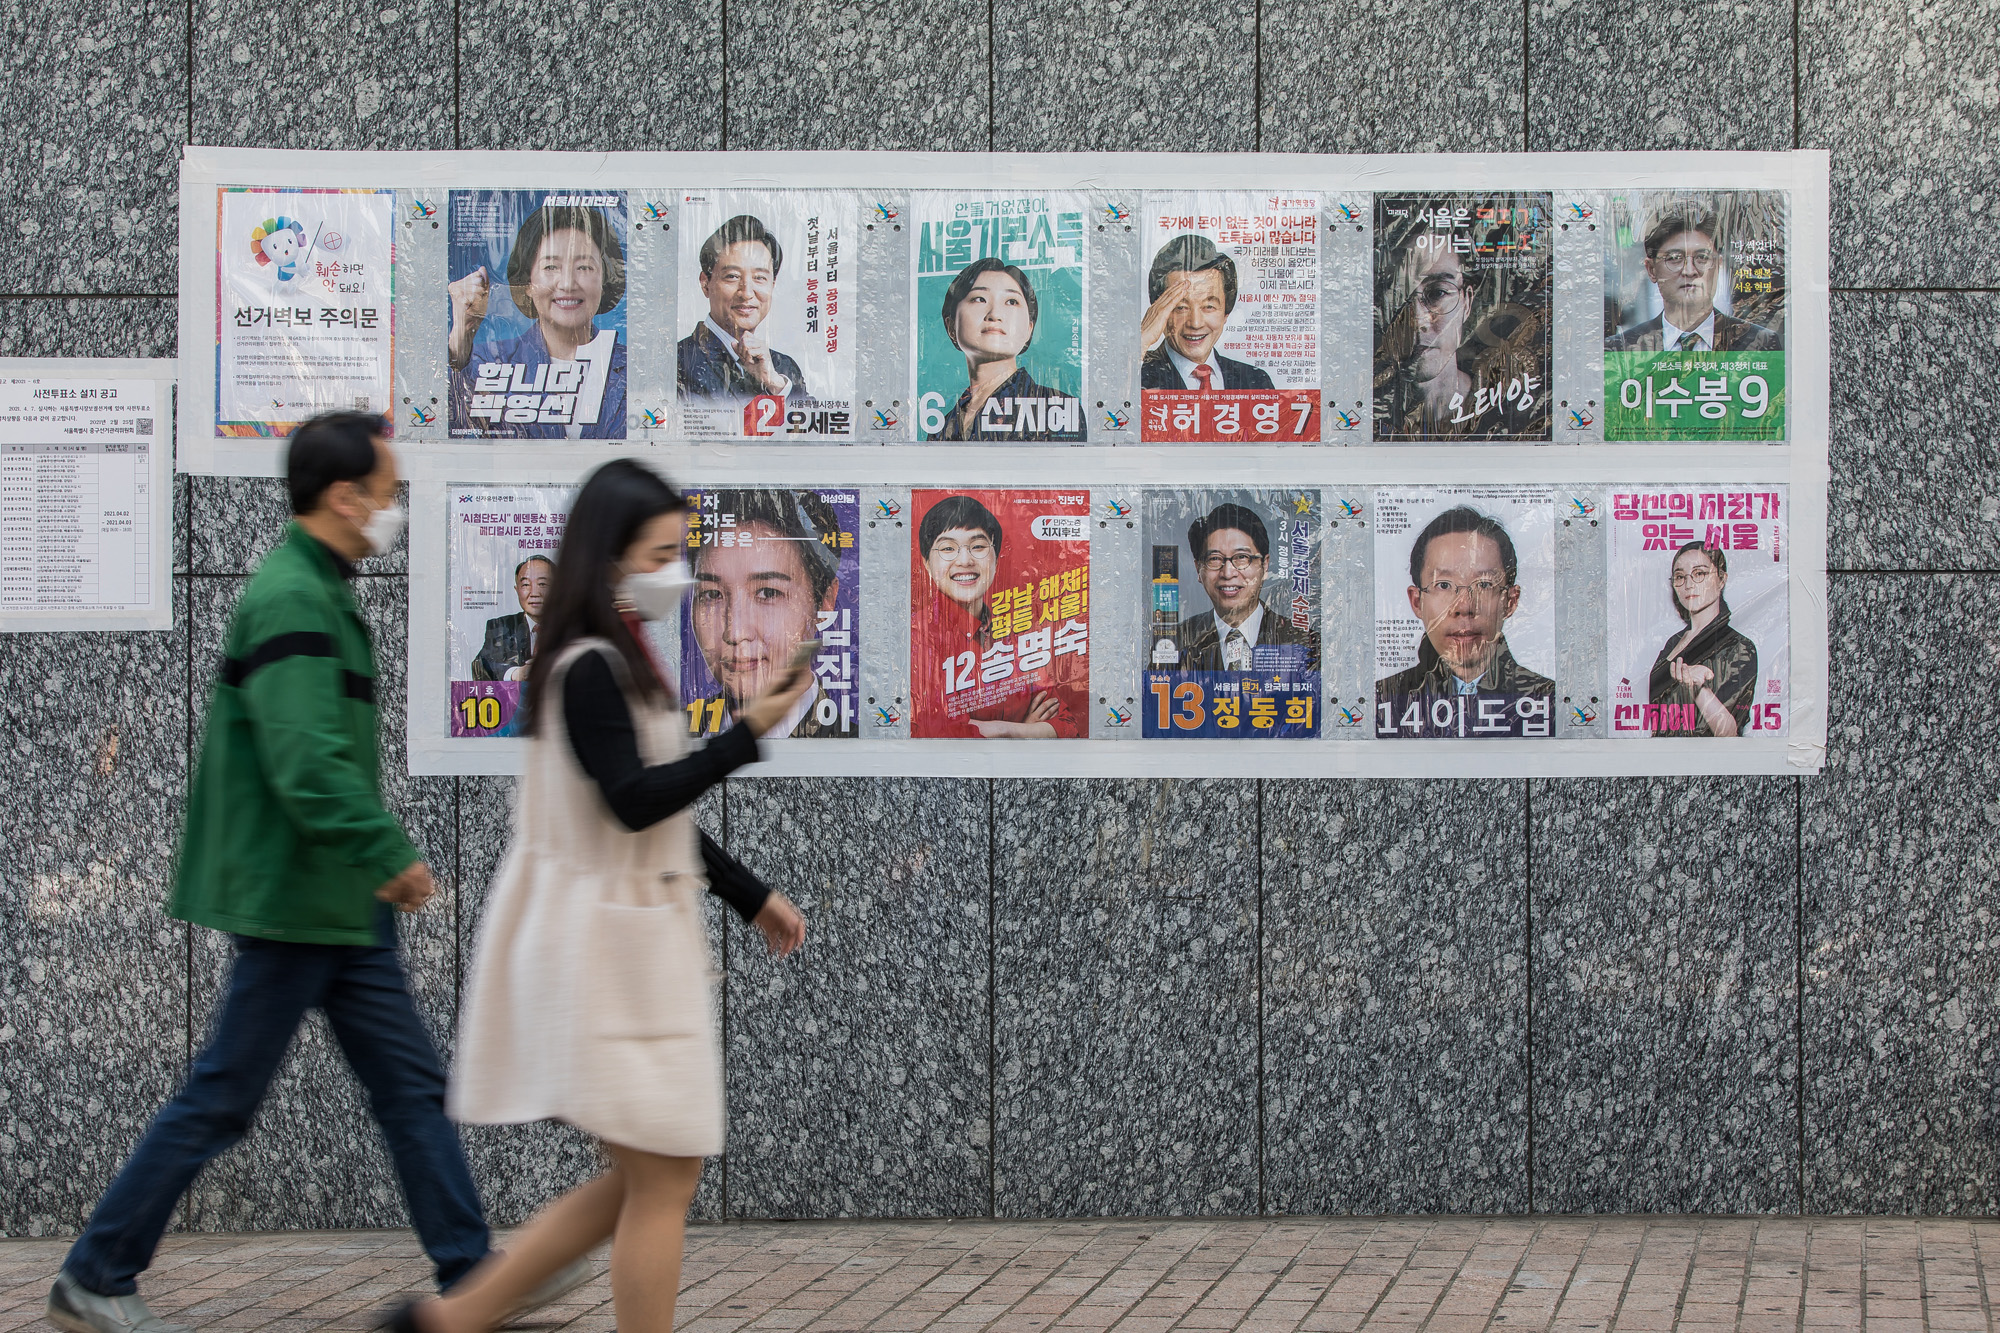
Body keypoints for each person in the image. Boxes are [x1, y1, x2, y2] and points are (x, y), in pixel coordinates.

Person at [45, 414, 581, 1333]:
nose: (390, 511)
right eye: (383, 493)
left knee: (410, 1086)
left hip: (337, 902)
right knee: (223, 1095)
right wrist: (388, 853)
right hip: (301, 898)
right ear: (342, 498)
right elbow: (304, 762)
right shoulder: (293, 596)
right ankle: (95, 1269)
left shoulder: (320, 586)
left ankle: (469, 1274)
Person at [392, 459, 807, 1333]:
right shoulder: (589, 666)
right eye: (660, 553)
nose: (676, 574)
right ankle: (462, 1316)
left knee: (650, 1173)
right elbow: (635, 802)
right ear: (611, 556)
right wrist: (747, 734)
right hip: (606, 951)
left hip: (627, 941)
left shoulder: (613, 660)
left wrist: (748, 893)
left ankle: (457, 1317)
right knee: (665, 1175)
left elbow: (654, 809)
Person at [448, 203, 628, 439]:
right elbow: (446, 430)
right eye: (551, 266)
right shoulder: (485, 361)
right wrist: (460, 338)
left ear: (605, 280)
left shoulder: (634, 368)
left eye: (584, 267)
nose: (567, 283)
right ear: (528, 281)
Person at [911, 494, 1080, 738]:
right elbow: (938, 730)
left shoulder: (1015, 633)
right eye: (948, 548)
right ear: (927, 563)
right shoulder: (918, 636)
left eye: (978, 546)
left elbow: (1067, 725)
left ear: (996, 557)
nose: (965, 560)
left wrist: (1004, 730)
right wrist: (1027, 731)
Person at [687, 490, 849, 738]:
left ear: (825, 599)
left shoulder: (848, 744)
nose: (736, 632)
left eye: (768, 593)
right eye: (712, 595)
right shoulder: (669, 739)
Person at [1376, 505, 1554, 717]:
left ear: (1510, 601)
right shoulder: (1385, 700)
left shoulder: (1546, 700)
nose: (1464, 607)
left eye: (1484, 585)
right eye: (1443, 585)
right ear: (1417, 601)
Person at [928, 258, 1080, 442]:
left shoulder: (1057, 409)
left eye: (1011, 301)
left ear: (1029, 328)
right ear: (951, 325)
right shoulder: (941, 427)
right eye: (979, 299)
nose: (994, 315)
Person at [1606, 209, 1781, 353]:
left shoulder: (1758, 343)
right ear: (1651, 270)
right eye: (1674, 258)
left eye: (1702, 257)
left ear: (1718, 266)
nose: (1689, 271)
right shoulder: (1622, 348)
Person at [677, 215, 809, 404]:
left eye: (760, 278)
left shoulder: (784, 368)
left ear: (773, 284)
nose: (746, 293)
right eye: (732, 276)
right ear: (706, 284)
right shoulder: (678, 362)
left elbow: (815, 426)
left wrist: (774, 384)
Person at [1165, 503, 1314, 671]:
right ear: (1198, 569)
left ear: (1265, 565)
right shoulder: (1175, 642)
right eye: (1214, 559)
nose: (1228, 573)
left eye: (1242, 557)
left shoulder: (1304, 641)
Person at [1647, 541, 1757, 737]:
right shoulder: (1673, 642)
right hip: (1663, 759)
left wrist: (1700, 689)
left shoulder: (1738, 646)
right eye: (1680, 577)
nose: (1688, 585)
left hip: (1706, 763)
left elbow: (1729, 733)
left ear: (1721, 579)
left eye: (1699, 574)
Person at [1138, 236, 1274, 392]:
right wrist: (1140, 343)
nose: (1195, 323)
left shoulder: (1254, 379)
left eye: (1209, 307)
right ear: (1159, 311)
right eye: (1181, 307)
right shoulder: (1135, 371)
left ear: (1226, 313)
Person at [472, 555, 552, 682]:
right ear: (517, 590)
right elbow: (483, 664)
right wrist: (517, 674)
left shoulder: (573, 627)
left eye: (542, 584)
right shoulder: (501, 626)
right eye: (525, 584)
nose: (534, 593)